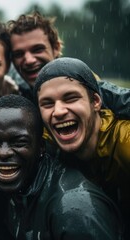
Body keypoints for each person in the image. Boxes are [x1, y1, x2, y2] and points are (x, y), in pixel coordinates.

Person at [0, 94, 123, 239]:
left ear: (41, 147)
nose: (3, 153)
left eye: (18, 143)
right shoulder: (9, 188)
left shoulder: (74, 211)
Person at [34, 57, 130, 239]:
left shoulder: (125, 141)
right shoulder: (44, 141)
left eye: (71, 98)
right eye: (47, 103)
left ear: (95, 101)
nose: (59, 111)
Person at [8, 11, 130, 117]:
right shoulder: (16, 92)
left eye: (37, 49)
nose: (29, 60)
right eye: (18, 54)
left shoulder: (83, 83)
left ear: (56, 47)